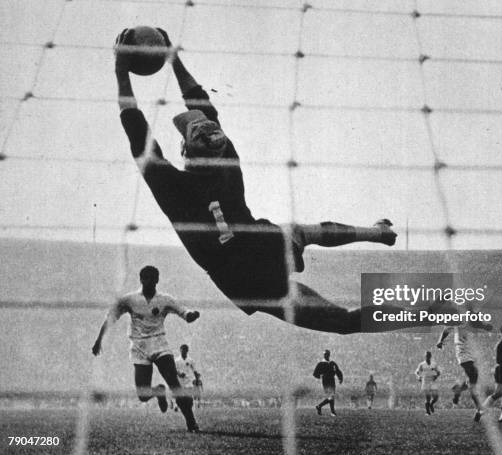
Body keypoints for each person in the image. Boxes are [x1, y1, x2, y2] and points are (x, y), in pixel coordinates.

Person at [113, 28, 397, 335]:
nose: (207, 128)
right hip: (254, 260)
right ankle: (383, 247)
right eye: (201, 129)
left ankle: (384, 247)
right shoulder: (202, 174)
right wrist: (147, 66)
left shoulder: (199, 172)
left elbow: (168, 116)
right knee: (320, 273)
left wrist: (147, 65)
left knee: (335, 303)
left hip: (249, 267)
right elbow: (163, 118)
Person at [91, 266, 201, 432]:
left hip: (159, 345)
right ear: (141, 279)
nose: (149, 281)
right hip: (139, 348)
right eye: (146, 278)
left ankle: (191, 422)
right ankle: (158, 391)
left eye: (152, 278)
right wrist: (99, 340)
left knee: (175, 385)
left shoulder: (165, 299)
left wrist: (191, 315)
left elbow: (184, 312)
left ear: (157, 280)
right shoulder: (130, 299)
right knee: (143, 395)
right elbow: (110, 317)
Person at [437, 311, 492, 422]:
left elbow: (482, 324)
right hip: (462, 352)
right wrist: (440, 341)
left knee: (473, 379)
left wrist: (486, 326)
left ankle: (458, 390)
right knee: (473, 380)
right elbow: (446, 329)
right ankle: (479, 408)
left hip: (470, 352)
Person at [313, 350, 343, 416]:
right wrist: (320, 376)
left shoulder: (332, 363)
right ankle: (331, 411)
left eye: (327, 354)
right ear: (324, 355)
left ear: (329, 355)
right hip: (326, 381)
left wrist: (340, 378)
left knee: (331, 396)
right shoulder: (320, 364)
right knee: (330, 396)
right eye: (325, 354)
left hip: (332, 381)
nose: (326, 355)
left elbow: (338, 371)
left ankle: (320, 406)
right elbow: (315, 374)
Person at [174, 344, 203, 410]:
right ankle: (176, 405)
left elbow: (194, 370)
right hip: (180, 379)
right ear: (180, 350)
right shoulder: (176, 360)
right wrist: (179, 374)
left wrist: (197, 379)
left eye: (184, 350)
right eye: (181, 350)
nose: (183, 352)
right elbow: (174, 370)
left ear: (187, 351)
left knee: (188, 393)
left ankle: (189, 405)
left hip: (188, 379)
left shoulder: (190, 360)